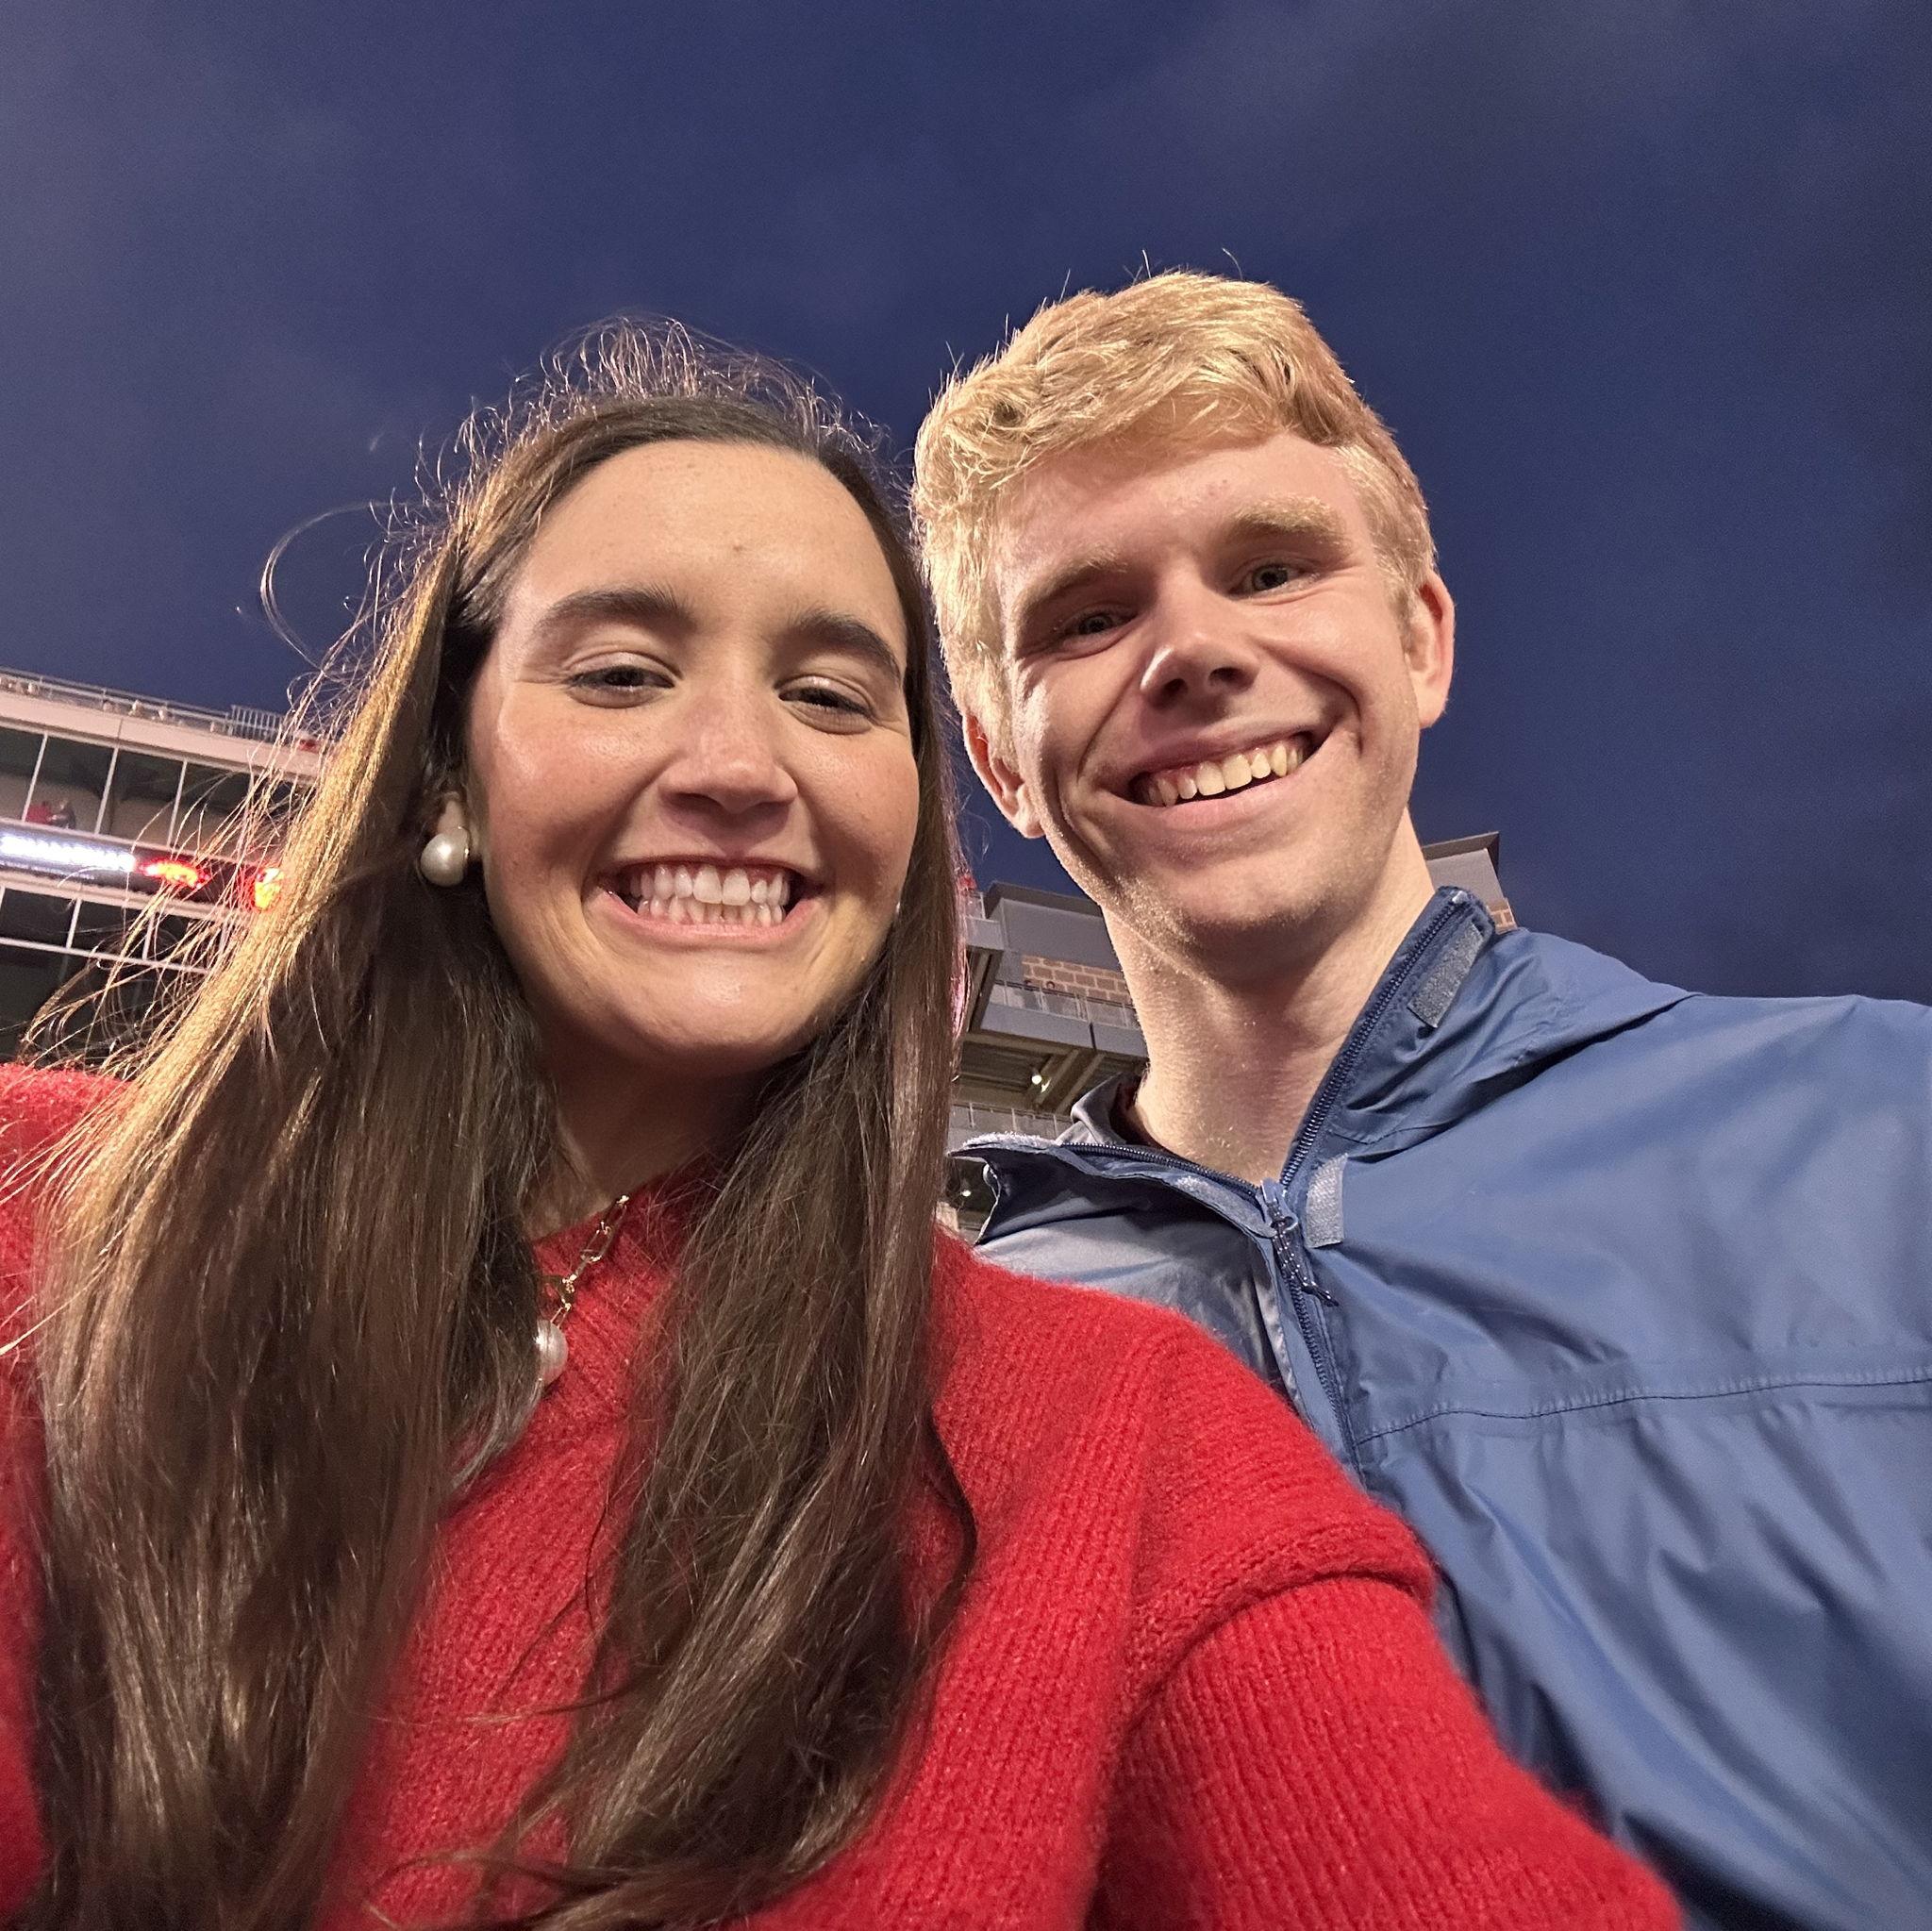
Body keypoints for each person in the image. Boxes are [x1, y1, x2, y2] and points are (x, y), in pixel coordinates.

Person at [0, 328, 1674, 1929]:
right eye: (623, 670)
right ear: (449, 768)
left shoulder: (1119, 1445)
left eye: (831, 692)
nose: (738, 761)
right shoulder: (39, 1215)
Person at [912, 271, 1932, 1931]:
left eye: (1271, 567)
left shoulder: (1889, 1130)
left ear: (1423, 637)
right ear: (1001, 758)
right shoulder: (953, 1360)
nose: (1194, 650)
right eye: (1088, 617)